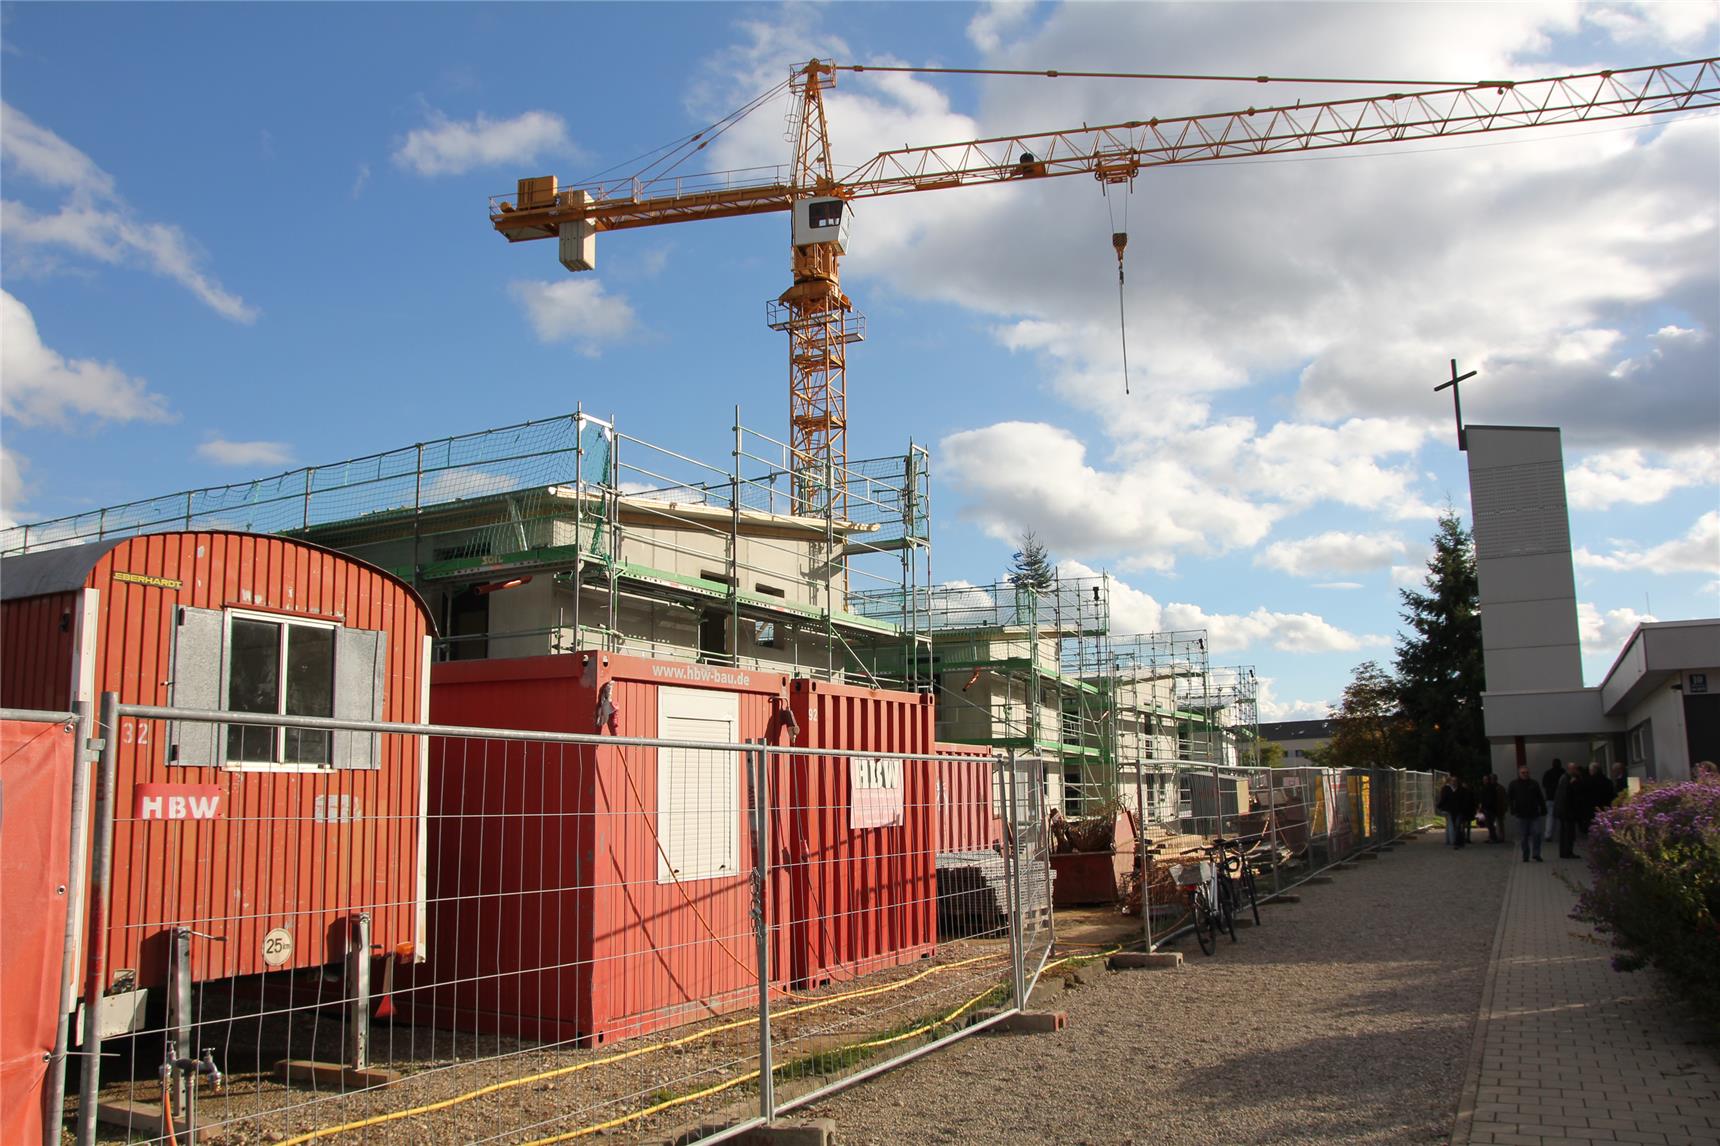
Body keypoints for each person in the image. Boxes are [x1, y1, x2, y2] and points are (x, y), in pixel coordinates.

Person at [1506, 762, 1547, 862]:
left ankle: (1536, 853)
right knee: (1524, 836)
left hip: (1534, 814)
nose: (1525, 774)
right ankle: (1525, 854)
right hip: (1521, 814)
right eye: (1523, 772)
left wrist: (1543, 808)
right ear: (1519, 773)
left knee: (1537, 833)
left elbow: (1540, 797)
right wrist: (1512, 809)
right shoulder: (1514, 784)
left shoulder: (1534, 783)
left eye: (1527, 772)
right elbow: (1509, 798)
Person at [1554, 760, 1583, 858]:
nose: (1576, 770)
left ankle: (1565, 852)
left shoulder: (1565, 778)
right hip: (1566, 811)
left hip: (1565, 810)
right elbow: (1565, 795)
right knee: (1568, 833)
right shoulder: (1566, 779)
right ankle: (1567, 852)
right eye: (1574, 769)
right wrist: (1572, 784)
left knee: (1566, 832)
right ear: (1570, 769)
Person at [1477, 772, 1507, 844]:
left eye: (1492, 779)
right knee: (1490, 823)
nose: (1491, 780)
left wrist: (1504, 808)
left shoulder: (1498, 788)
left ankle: (1499, 837)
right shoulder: (1489, 787)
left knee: (1498, 823)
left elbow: (1502, 799)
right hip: (1492, 808)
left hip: (1497, 808)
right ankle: (1493, 837)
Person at [1541, 757, 1564, 842]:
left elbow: (1544, 784)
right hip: (1561, 798)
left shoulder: (1548, 773)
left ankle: (1548, 835)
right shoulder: (1563, 773)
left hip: (1550, 797)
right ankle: (1562, 834)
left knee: (1550, 817)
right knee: (1561, 818)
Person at [1455, 777, 1478, 848]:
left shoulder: (1464, 791)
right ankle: (1463, 839)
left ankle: (1461, 840)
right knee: (1463, 826)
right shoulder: (1467, 792)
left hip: (1463, 811)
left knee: (1461, 826)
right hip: (1465, 811)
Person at [1437, 774, 1460, 846]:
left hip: (1446, 808)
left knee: (1448, 824)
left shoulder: (1444, 788)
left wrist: (1439, 806)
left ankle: (1448, 840)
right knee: (1451, 824)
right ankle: (1452, 840)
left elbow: (1442, 799)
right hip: (1449, 809)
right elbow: (1445, 799)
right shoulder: (1449, 789)